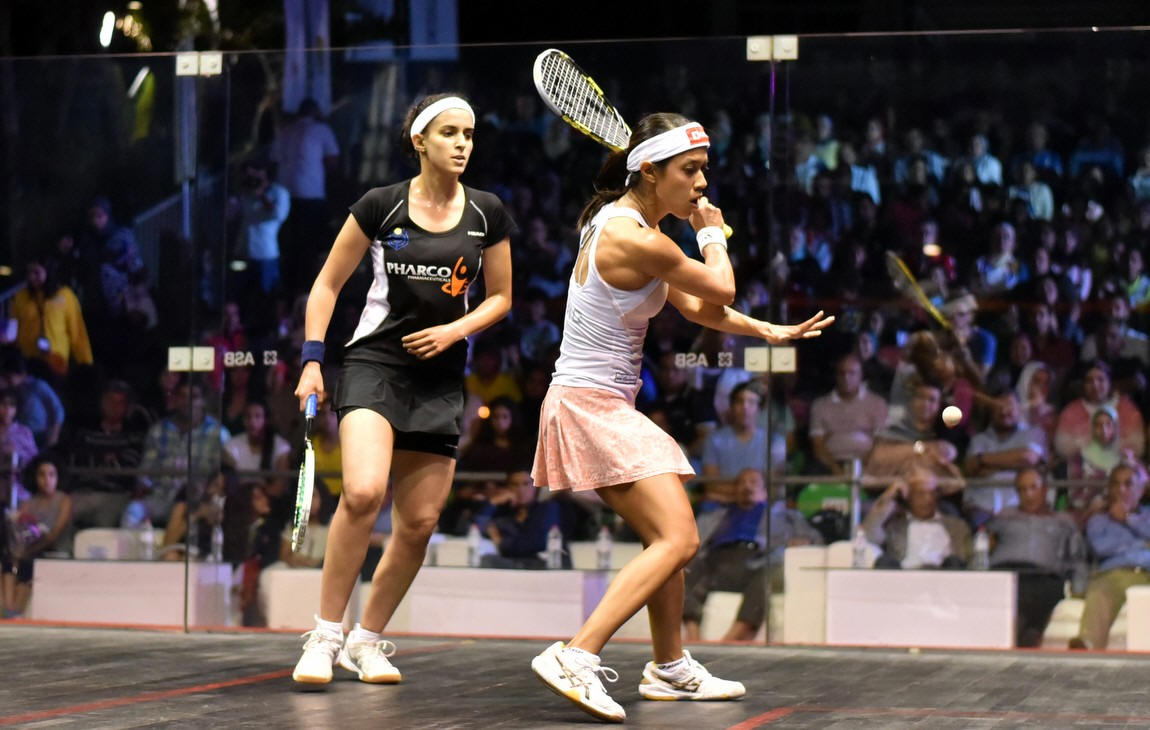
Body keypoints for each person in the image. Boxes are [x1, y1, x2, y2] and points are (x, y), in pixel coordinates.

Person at [528, 112, 833, 721]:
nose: (701, 183)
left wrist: (767, 330)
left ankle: (668, 667)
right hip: (589, 406)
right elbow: (719, 286)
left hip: (597, 404)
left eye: (704, 170)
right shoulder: (635, 238)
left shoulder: (631, 226)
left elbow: (698, 308)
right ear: (650, 172)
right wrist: (711, 232)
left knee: (666, 539)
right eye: (690, 170)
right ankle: (576, 655)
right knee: (680, 538)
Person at [290, 94, 515, 686]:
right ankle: (324, 635)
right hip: (375, 364)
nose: (462, 144)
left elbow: (501, 297)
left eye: (469, 133)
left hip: (439, 377)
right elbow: (326, 286)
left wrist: (455, 331)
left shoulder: (488, 212)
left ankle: (366, 641)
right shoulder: (380, 205)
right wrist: (312, 361)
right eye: (449, 133)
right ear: (420, 141)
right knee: (364, 492)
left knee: (418, 522)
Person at [683, 468, 821, 642]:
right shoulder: (716, 515)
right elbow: (692, 539)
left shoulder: (784, 516)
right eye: (741, 483)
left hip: (757, 560)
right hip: (716, 561)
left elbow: (815, 537)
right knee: (689, 568)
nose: (746, 487)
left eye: (753, 482)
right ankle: (693, 636)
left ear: (764, 491)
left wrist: (803, 541)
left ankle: (731, 639)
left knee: (768, 573)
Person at [986, 467, 1087, 647]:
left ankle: (1020, 636)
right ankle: (1027, 636)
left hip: (1043, 576)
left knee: (1034, 592)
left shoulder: (1063, 521)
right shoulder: (1005, 516)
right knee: (1007, 590)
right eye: (1022, 489)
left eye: (1033, 487)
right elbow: (985, 543)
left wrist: (1079, 588)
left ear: (1045, 489)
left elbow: (1077, 558)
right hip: (1005, 572)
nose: (1028, 495)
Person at [1070, 464, 1150, 650]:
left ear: (1141, 489)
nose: (1121, 489)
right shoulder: (1099, 519)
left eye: (1128, 484)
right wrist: (1142, 544)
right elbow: (1102, 548)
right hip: (1115, 574)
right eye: (1116, 484)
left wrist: (1128, 518)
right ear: (1109, 489)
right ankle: (1088, 646)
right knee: (1100, 592)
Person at [2, 455, 72, 617]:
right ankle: (7, 606)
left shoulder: (64, 500)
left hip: (53, 549)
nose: (47, 480)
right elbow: (19, 531)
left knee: (26, 563)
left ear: (58, 477)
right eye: (42, 475)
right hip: (28, 549)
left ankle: (16, 609)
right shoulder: (29, 503)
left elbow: (54, 534)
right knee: (8, 560)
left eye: (51, 474)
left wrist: (27, 552)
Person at [862, 468, 971, 569]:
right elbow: (868, 536)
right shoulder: (894, 526)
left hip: (946, 578)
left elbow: (967, 559)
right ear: (908, 496)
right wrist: (889, 495)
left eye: (932, 493)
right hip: (904, 578)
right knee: (884, 562)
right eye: (920, 493)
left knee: (954, 562)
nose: (928, 499)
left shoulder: (957, 526)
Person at [808, 352, 888, 474]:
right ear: (836, 376)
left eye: (852, 373)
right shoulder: (820, 405)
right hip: (831, 464)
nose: (846, 378)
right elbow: (818, 445)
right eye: (842, 373)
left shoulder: (877, 403)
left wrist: (864, 468)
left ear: (861, 375)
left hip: (869, 463)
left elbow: (881, 442)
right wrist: (836, 470)